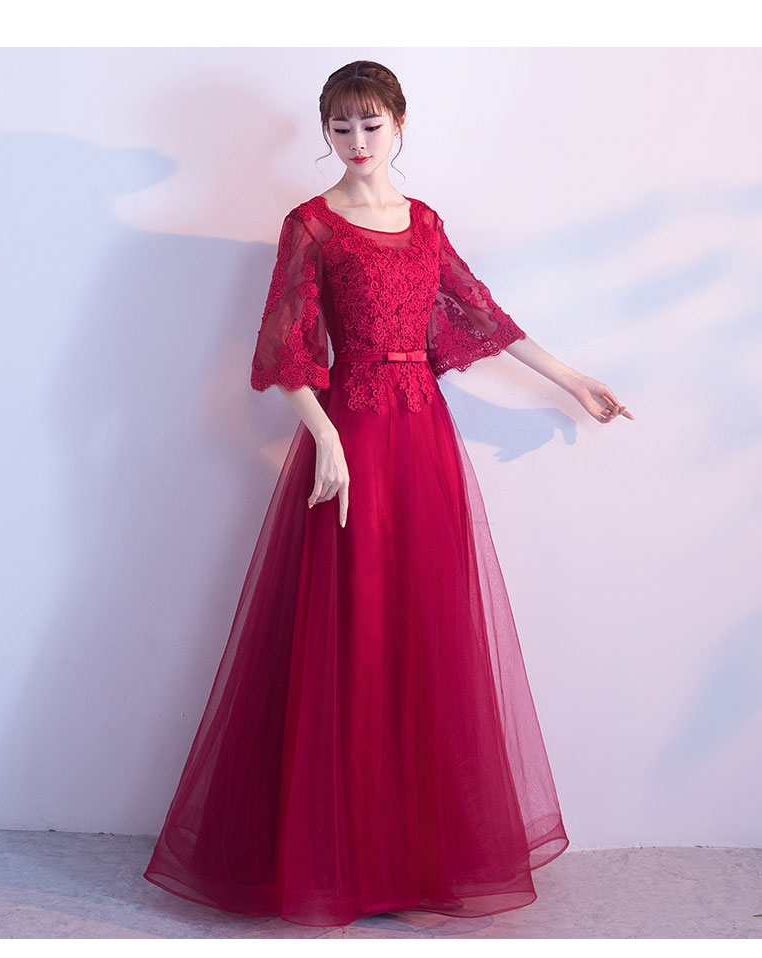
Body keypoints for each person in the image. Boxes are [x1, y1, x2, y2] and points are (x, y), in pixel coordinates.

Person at [143, 60, 634, 929]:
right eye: (341, 126)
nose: (356, 141)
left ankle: (416, 860)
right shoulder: (311, 225)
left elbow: (482, 313)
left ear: (400, 124)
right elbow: (286, 351)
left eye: (371, 124)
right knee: (354, 631)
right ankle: (342, 860)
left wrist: (572, 379)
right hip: (354, 440)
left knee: (425, 631)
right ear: (325, 131)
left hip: (424, 443)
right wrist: (326, 436)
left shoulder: (426, 222)